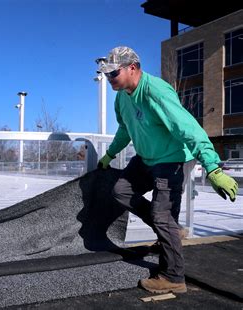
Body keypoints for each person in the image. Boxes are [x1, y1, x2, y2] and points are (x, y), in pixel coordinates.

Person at [97, 46, 238, 294]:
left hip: (171, 160)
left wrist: (213, 168)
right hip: (145, 158)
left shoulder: (156, 91)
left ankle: (173, 276)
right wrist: (109, 154)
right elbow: (124, 129)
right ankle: (172, 231)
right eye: (107, 74)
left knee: (162, 216)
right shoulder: (121, 97)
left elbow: (189, 129)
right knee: (120, 191)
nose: (110, 79)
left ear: (132, 68)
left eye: (113, 73)